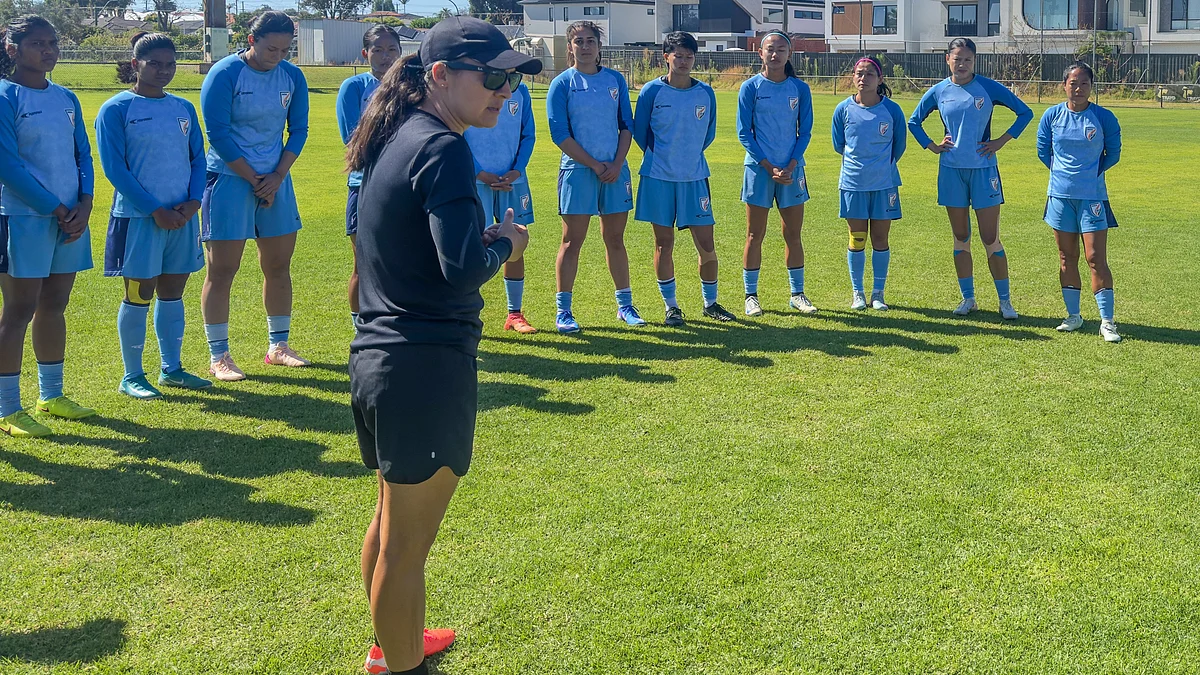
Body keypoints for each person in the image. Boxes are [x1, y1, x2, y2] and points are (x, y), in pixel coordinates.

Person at [345, 17, 536, 675]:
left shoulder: (398, 137)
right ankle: (399, 665)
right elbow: (461, 265)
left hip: (383, 361)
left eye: (510, 78)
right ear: (439, 76)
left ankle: (391, 640)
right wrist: (505, 243)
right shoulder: (444, 147)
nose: (504, 91)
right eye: (492, 77)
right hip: (421, 365)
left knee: (392, 521)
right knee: (407, 544)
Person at [97, 32, 212, 399]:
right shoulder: (116, 109)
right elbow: (115, 168)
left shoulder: (183, 107)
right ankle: (132, 375)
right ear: (136, 64)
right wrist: (155, 209)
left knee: (173, 292)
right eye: (154, 64)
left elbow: (198, 158)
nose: (163, 71)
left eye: (170, 64)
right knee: (138, 293)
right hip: (139, 218)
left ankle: (172, 369)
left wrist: (194, 201)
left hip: (182, 217)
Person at [200, 10, 310, 381]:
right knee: (223, 270)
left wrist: (277, 176)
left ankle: (278, 346)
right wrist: (253, 177)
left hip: (276, 182)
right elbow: (217, 133)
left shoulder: (292, 76)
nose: (276, 56)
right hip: (230, 180)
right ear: (251, 41)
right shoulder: (225, 73)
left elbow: (298, 130)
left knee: (278, 266)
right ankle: (220, 356)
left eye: (284, 50)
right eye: (270, 48)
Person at [0, 15, 96, 437]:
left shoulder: (66, 98)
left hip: (71, 217)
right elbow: (8, 166)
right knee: (18, 310)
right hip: (23, 219)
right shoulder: (6, 96)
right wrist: (57, 209)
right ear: (12, 49)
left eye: (53, 42)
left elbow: (83, 157)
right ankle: (7, 409)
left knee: (54, 305)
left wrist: (85, 204)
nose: (49, 50)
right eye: (39, 43)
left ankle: (51, 395)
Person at [908, 37, 1033, 319]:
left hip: (984, 171)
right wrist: (932, 146)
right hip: (951, 171)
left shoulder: (987, 87)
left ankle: (1005, 301)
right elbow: (913, 121)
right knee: (961, 237)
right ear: (947, 60)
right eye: (957, 58)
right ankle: (968, 299)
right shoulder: (939, 91)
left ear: (974, 62)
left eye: (967, 59)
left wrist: (1000, 141)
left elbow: (1025, 112)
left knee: (990, 237)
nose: (962, 64)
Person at [546, 20, 644, 333]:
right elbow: (559, 133)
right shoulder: (562, 84)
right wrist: (593, 164)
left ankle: (625, 306)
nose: (585, 47)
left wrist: (616, 163)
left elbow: (626, 126)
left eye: (590, 41)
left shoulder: (615, 80)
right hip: (578, 171)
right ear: (570, 47)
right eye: (579, 42)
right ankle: (564, 312)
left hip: (615, 171)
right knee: (572, 241)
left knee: (615, 239)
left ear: (599, 47)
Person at [634, 31, 732, 325]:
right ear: (666, 57)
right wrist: (665, 158)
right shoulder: (651, 91)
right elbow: (641, 133)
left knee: (707, 243)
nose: (685, 61)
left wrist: (687, 158)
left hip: (694, 178)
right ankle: (671, 306)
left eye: (690, 56)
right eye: (679, 56)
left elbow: (708, 134)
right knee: (663, 244)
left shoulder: (705, 93)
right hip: (658, 178)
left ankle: (711, 303)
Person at [1036, 61, 1122, 343]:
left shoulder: (1104, 117)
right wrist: (1063, 177)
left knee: (1095, 258)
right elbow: (1042, 151)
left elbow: (1113, 154)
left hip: (1093, 197)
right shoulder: (1051, 116)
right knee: (1066, 257)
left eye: (1084, 83)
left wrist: (1088, 177)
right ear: (1064, 86)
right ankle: (1073, 316)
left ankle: (1107, 322)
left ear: (1091, 87)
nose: (1078, 88)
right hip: (1060, 197)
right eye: (1073, 83)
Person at [736, 31, 816, 317]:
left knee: (793, 234)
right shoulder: (750, 87)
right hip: (759, 170)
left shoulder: (800, 89)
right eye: (770, 49)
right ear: (760, 53)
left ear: (789, 54)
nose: (775, 54)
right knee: (754, 234)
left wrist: (791, 166)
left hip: (792, 171)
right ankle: (751, 296)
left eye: (781, 50)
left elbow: (804, 131)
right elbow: (744, 133)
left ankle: (797, 294)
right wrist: (769, 166)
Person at [337, 24, 401, 328]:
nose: (385, 56)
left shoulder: (412, 87)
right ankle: (360, 329)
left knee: (401, 262)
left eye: (391, 49)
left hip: (402, 187)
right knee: (363, 265)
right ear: (366, 53)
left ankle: (396, 324)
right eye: (378, 49)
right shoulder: (353, 88)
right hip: (364, 186)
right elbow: (354, 142)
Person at [464, 79, 538, 334]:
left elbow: (528, 134)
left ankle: (514, 314)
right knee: (471, 245)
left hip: (512, 180)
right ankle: (467, 313)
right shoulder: (473, 87)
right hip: (475, 180)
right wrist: (478, 172)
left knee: (516, 241)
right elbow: (457, 131)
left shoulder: (522, 91)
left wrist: (517, 170)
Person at [832, 57, 907, 311]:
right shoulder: (843, 109)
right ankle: (858, 293)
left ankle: (878, 293)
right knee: (857, 237)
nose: (863, 78)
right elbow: (838, 145)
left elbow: (899, 147)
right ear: (853, 78)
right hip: (853, 184)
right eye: (859, 74)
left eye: (869, 74)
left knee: (880, 239)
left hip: (884, 184)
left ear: (880, 79)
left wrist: (880, 168)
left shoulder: (892, 110)